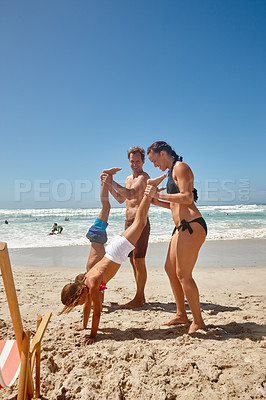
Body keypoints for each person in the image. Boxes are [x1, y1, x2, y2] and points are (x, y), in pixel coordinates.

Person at [60, 173, 167, 344]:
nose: (79, 306)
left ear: (78, 295)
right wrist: (84, 325)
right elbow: (88, 306)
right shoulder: (85, 283)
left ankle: (150, 189)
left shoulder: (92, 283)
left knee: (140, 221)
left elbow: (97, 312)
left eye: (76, 303)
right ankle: (150, 190)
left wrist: (93, 335)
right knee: (139, 221)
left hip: (117, 251)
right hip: (114, 249)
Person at [145, 141, 207, 334]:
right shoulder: (172, 171)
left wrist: (161, 196)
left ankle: (198, 321)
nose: (155, 165)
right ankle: (182, 314)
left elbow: (187, 198)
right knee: (170, 269)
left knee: (183, 275)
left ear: (163, 153)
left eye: (154, 160)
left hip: (192, 227)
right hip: (180, 227)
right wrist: (156, 201)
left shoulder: (180, 167)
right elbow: (176, 204)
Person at [101, 147, 150, 309]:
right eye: (132, 161)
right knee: (132, 260)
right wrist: (108, 186)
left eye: (138, 161)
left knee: (139, 260)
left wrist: (112, 181)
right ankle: (140, 296)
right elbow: (122, 199)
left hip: (140, 223)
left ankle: (139, 297)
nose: (135, 164)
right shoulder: (129, 178)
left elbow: (131, 194)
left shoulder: (144, 178)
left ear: (143, 161)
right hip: (128, 222)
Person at [76, 167, 121, 331]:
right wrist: (84, 325)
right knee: (106, 206)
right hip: (98, 238)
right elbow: (91, 303)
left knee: (106, 206)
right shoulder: (94, 281)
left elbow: (90, 305)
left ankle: (105, 177)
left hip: (96, 235)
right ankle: (106, 180)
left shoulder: (91, 278)